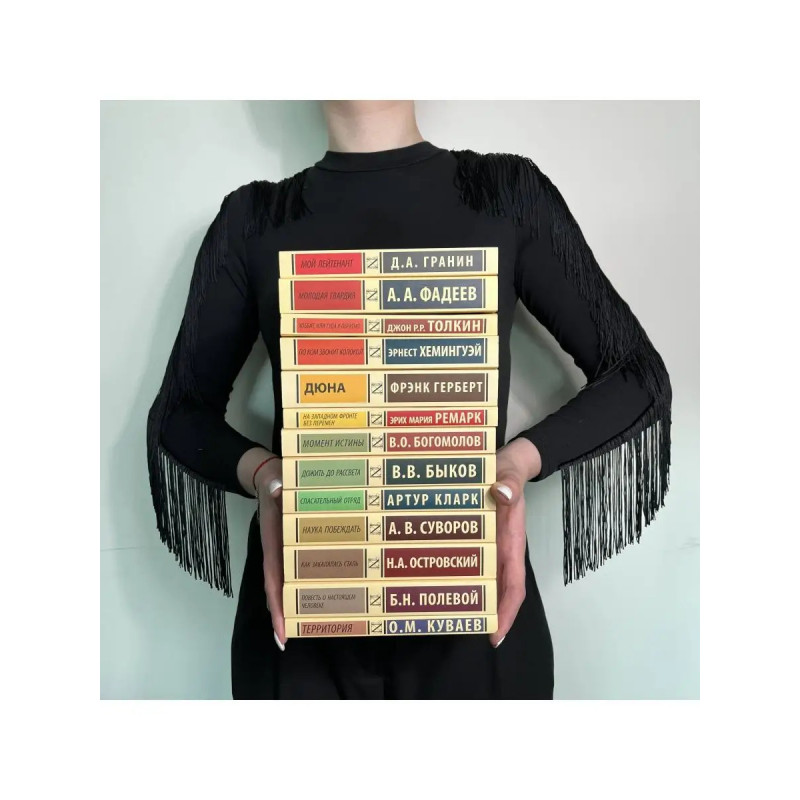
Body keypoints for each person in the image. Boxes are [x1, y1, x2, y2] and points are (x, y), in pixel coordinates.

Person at [146, 100, 671, 699]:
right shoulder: (254, 219)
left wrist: (515, 465)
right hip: (302, 621)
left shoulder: (503, 193)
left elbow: (636, 376)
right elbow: (178, 412)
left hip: (475, 611)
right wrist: (266, 477)